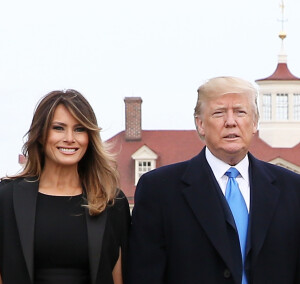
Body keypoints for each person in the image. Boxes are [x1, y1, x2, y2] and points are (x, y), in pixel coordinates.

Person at [127, 76, 300, 284]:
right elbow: (144, 276)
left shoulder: (292, 189)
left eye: (240, 112)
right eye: (219, 113)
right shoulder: (159, 190)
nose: (230, 122)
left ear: (254, 123)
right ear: (200, 124)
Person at [0, 89, 130, 284]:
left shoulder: (111, 201)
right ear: (41, 135)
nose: (70, 138)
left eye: (79, 129)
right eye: (59, 128)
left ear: (89, 137)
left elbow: (118, 277)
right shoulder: (6, 198)